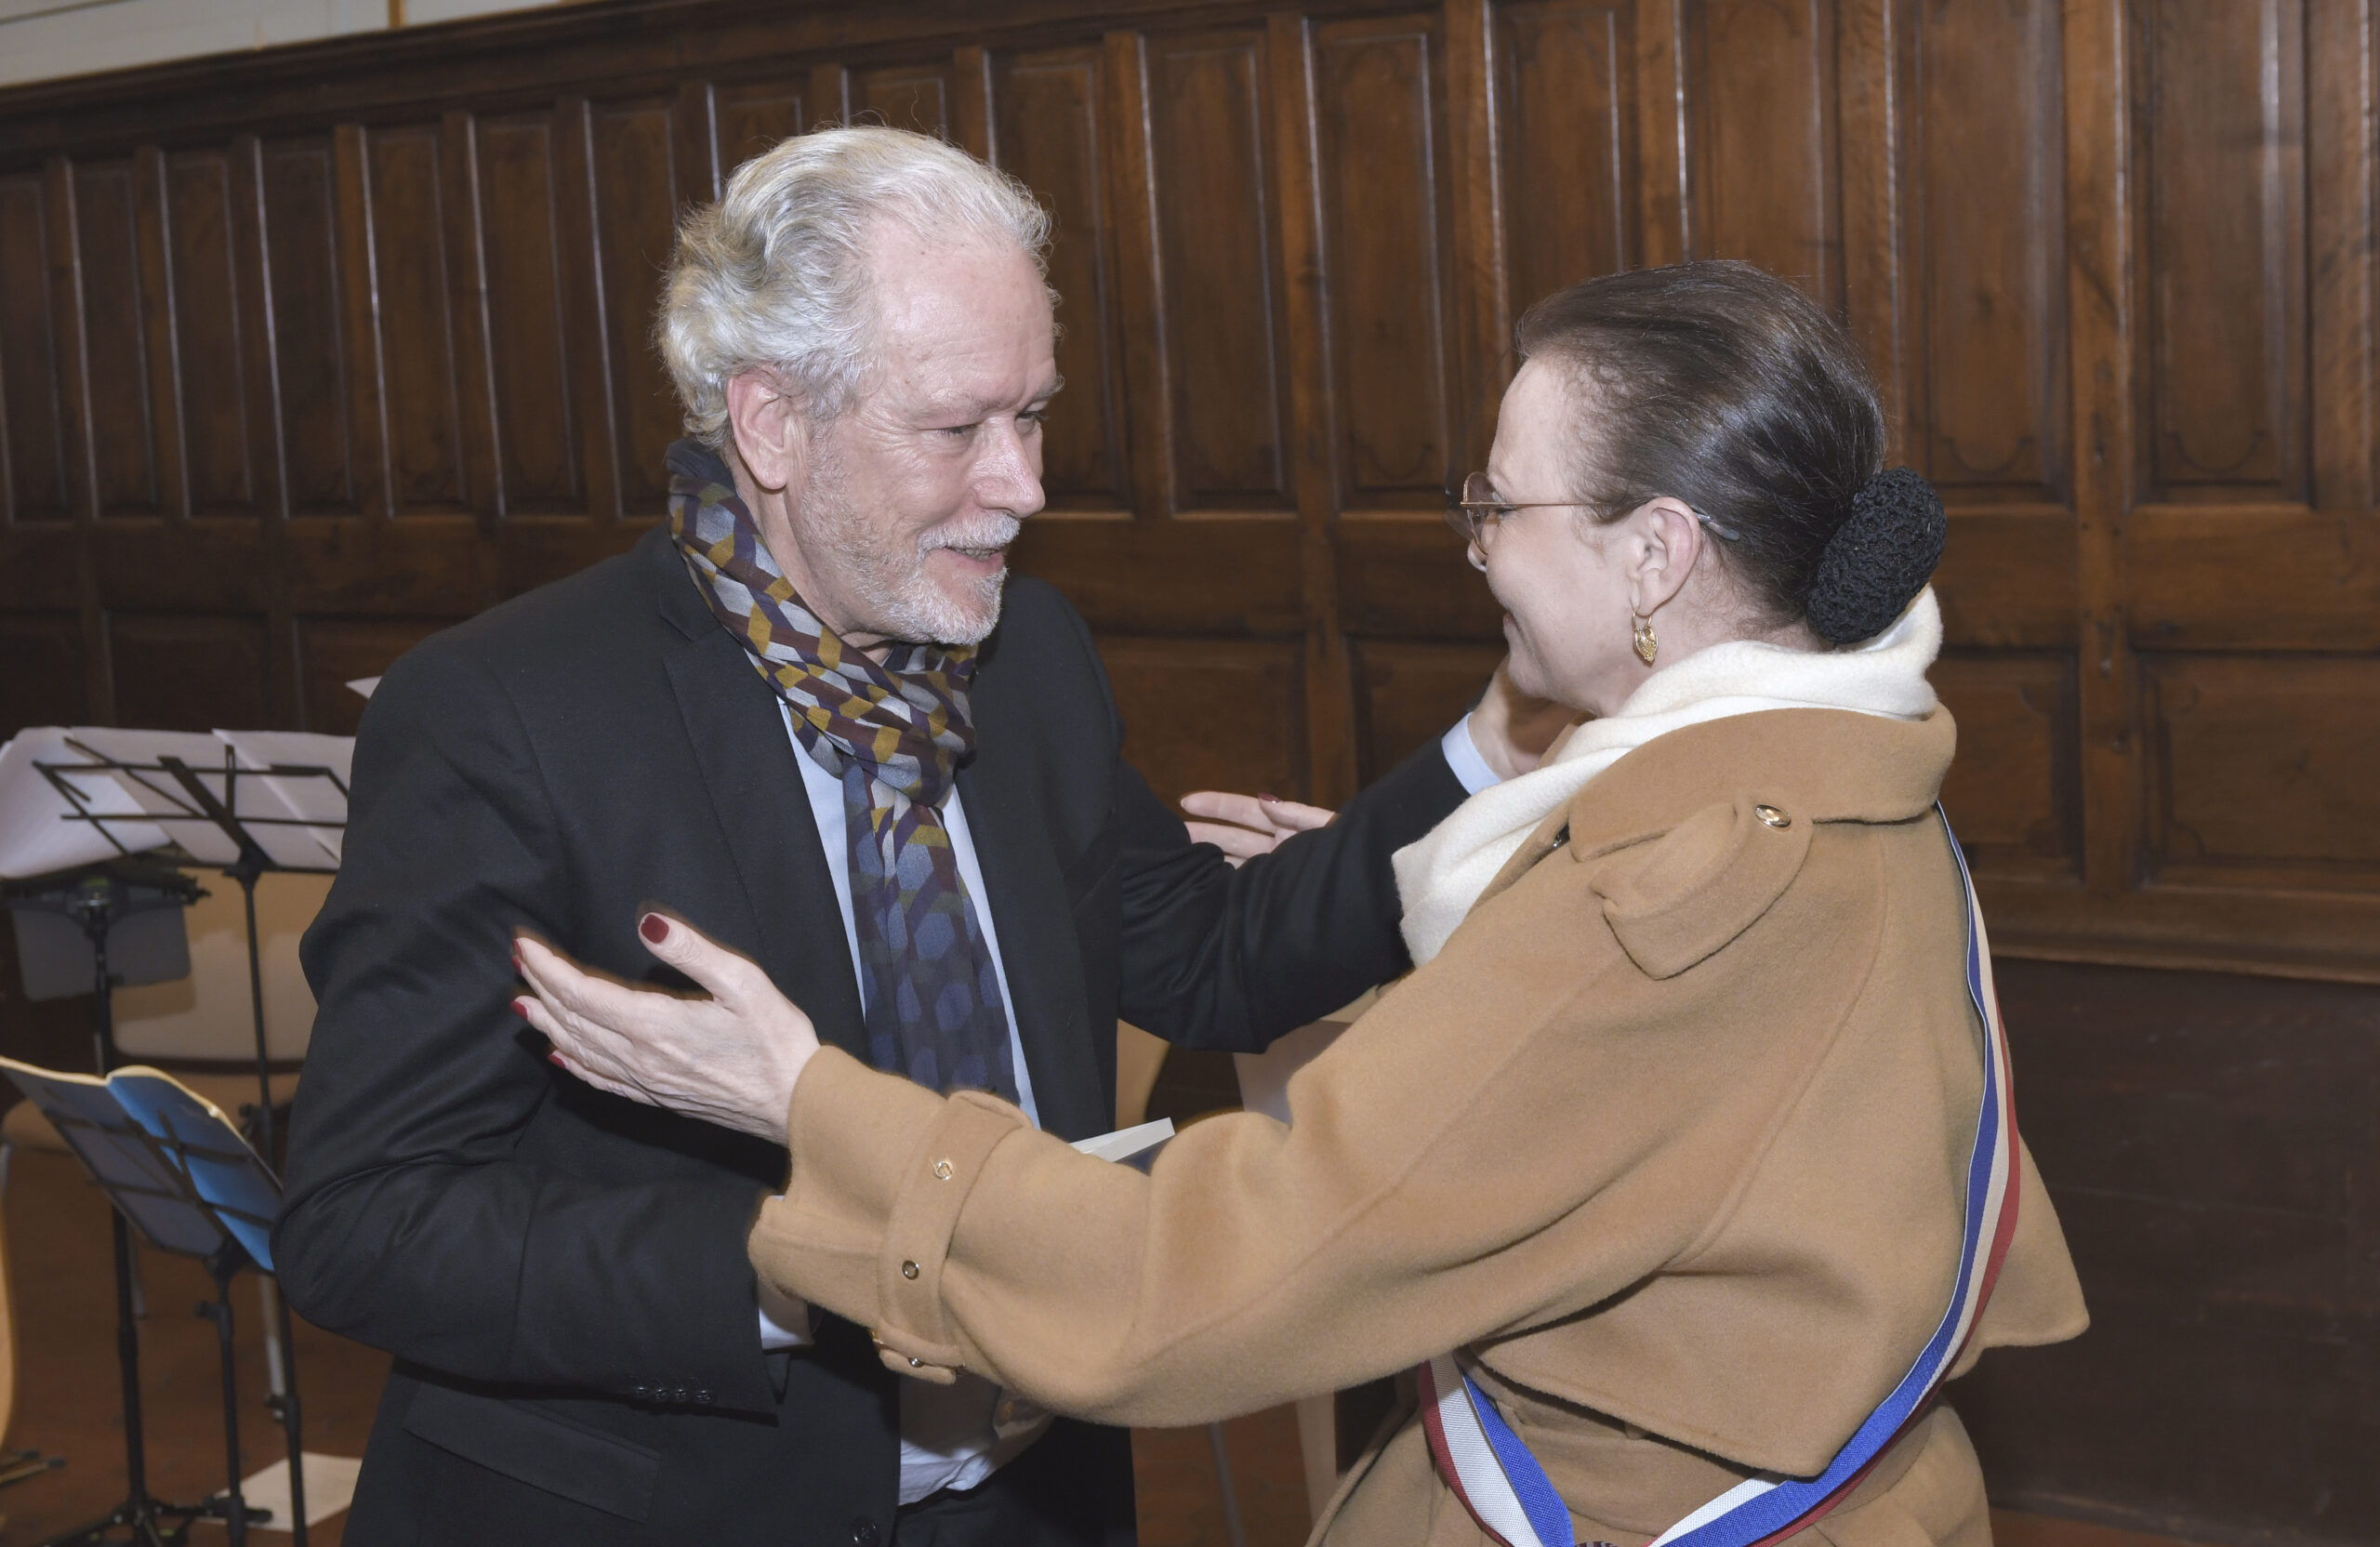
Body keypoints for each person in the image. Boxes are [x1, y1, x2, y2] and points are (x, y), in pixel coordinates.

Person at [515, 260, 2094, 1547]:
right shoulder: (1852, 769)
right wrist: (1497, 941)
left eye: (1502, 504)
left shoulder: (1650, 893)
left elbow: (1192, 1284)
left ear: (1656, 554)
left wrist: (809, 1106)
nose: (1475, 551)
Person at [272, 126, 1536, 1547]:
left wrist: (1499, 751)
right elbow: (366, 1223)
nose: (1024, 485)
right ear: (769, 423)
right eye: (956, 429)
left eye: (1036, 415)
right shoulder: (513, 712)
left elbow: (1206, 955)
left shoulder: (1027, 651)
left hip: (1027, 1499)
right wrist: (824, 1263)